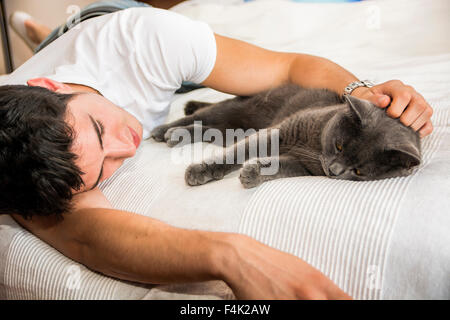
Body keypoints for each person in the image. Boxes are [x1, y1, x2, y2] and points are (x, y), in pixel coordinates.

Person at [0, 1, 433, 300]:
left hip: (111, 16)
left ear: (50, 86)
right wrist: (231, 255)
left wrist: (366, 99)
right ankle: (46, 39)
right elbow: (87, 236)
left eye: (99, 128)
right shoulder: (20, 162)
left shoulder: (147, 40)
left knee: (190, 70)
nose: (126, 149)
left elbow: (288, 67)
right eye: (104, 169)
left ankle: (54, 35)